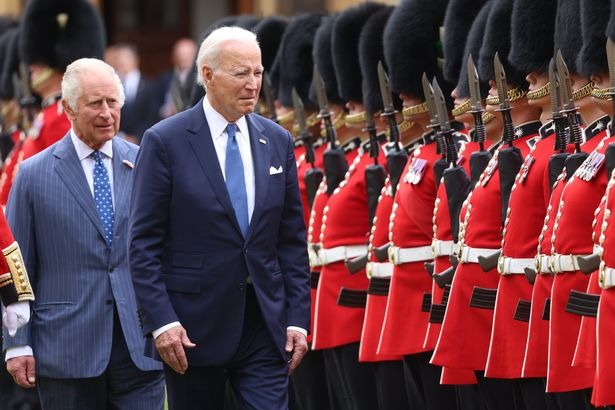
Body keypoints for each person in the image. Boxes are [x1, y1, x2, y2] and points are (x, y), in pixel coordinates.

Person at [128, 26, 310, 410]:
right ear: (208, 75)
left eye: (258, 73)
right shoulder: (165, 141)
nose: (253, 84)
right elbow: (143, 244)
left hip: (264, 323)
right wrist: (161, 323)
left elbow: (290, 240)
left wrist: (297, 319)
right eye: (241, 73)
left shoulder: (276, 140)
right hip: (191, 329)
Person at [3, 58, 164, 409]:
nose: (107, 113)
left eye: (113, 102)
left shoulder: (144, 163)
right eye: (95, 104)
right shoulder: (33, 175)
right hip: (66, 350)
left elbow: (163, 250)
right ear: (69, 108)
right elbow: (17, 270)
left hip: (140, 346)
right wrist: (17, 343)